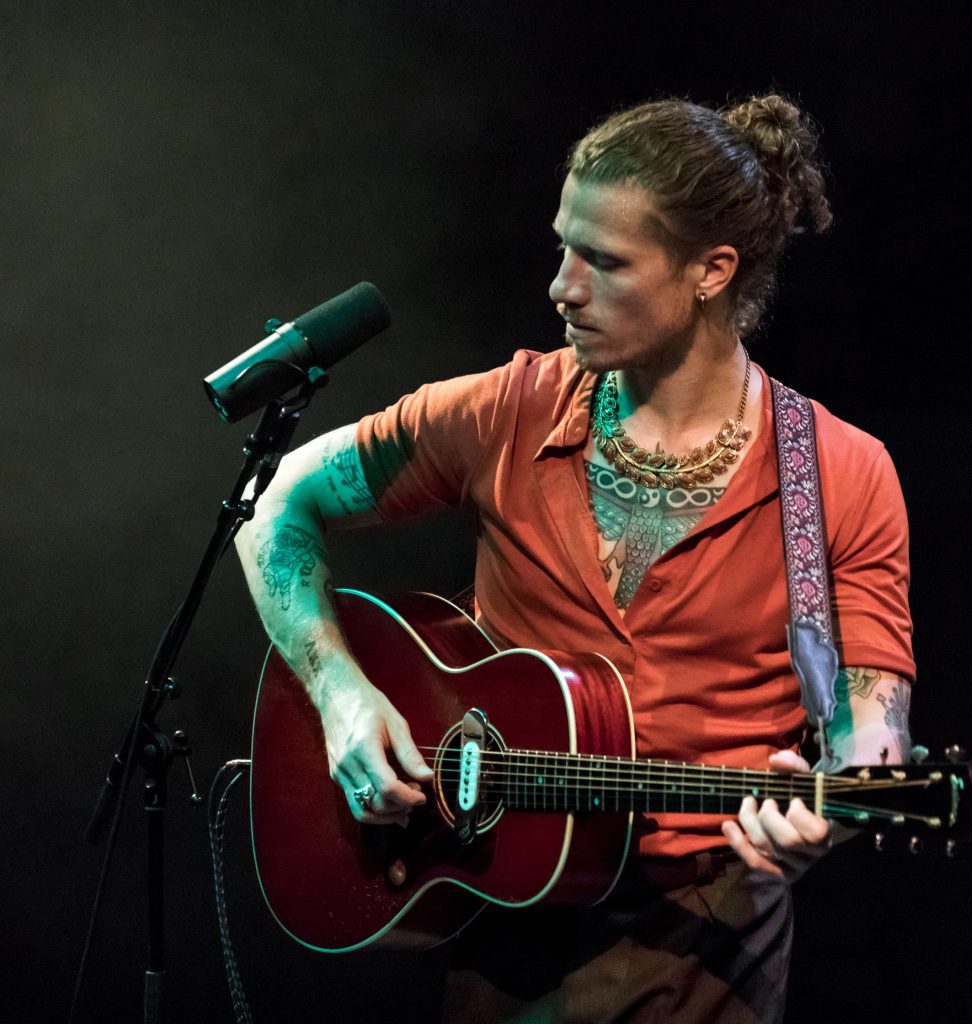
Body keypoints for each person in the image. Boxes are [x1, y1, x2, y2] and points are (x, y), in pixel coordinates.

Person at [236, 94, 915, 1023]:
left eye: (604, 260)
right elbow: (274, 504)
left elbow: (872, 732)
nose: (562, 286)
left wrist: (829, 812)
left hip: (704, 937)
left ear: (712, 270)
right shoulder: (504, 412)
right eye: (564, 247)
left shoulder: (837, 472)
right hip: (501, 902)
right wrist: (341, 694)